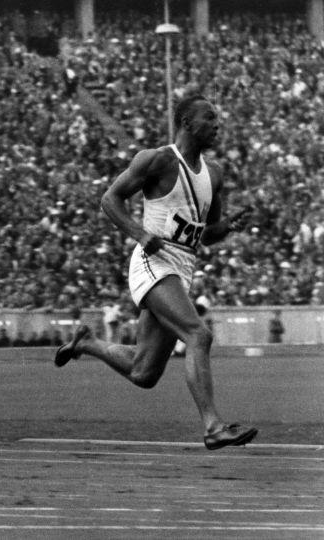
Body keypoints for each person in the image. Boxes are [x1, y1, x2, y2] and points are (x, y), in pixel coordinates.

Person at [54, 95, 257, 451]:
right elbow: (110, 199)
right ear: (186, 124)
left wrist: (229, 227)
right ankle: (213, 426)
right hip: (152, 262)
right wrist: (140, 234)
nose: (217, 125)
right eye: (209, 119)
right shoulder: (158, 160)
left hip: (181, 269)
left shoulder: (215, 175)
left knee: (143, 372)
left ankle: (88, 342)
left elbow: (204, 235)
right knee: (198, 335)